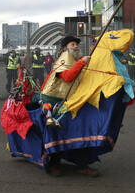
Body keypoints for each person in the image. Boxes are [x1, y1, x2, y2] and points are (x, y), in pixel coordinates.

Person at [41, 35, 96, 177]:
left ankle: (82, 166)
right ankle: (53, 164)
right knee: (59, 132)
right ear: (65, 48)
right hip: (56, 102)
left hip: (73, 101)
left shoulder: (77, 60)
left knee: (82, 131)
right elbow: (68, 77)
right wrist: (82, 62)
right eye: (72, 44)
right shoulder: (65, 58)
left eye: (76, 44)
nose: (76, 46)